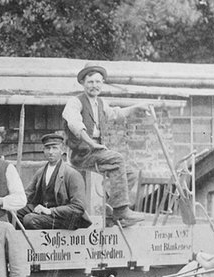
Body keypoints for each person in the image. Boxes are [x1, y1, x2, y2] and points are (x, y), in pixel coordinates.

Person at [62, 64, 152, 226]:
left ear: (102, 83)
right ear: (83, 83)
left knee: (130, 172)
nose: (94, 85)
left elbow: (116, 114)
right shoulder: (75, 102)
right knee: (117, 159)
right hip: (80, 153)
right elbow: (75, 125)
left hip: (95, 150)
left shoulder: (101, 104)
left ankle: (110, 212)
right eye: (90, 82)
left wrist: (137, 107)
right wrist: (91, 143)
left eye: (98, 82)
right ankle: (121, 211)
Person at [16, 132, 89, 230]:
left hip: (65, 218)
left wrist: (51, 211)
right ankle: (24, 243)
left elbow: (78, 207)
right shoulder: (41, 172)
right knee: (16, 212)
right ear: (43, 150)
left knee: (30, 220)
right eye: (47, 148)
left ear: (62, 150)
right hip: (46, 214)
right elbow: (27, 195)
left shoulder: (72, 175)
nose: (51, 152)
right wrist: (9, 201)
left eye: (55, 148)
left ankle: (43, 243)